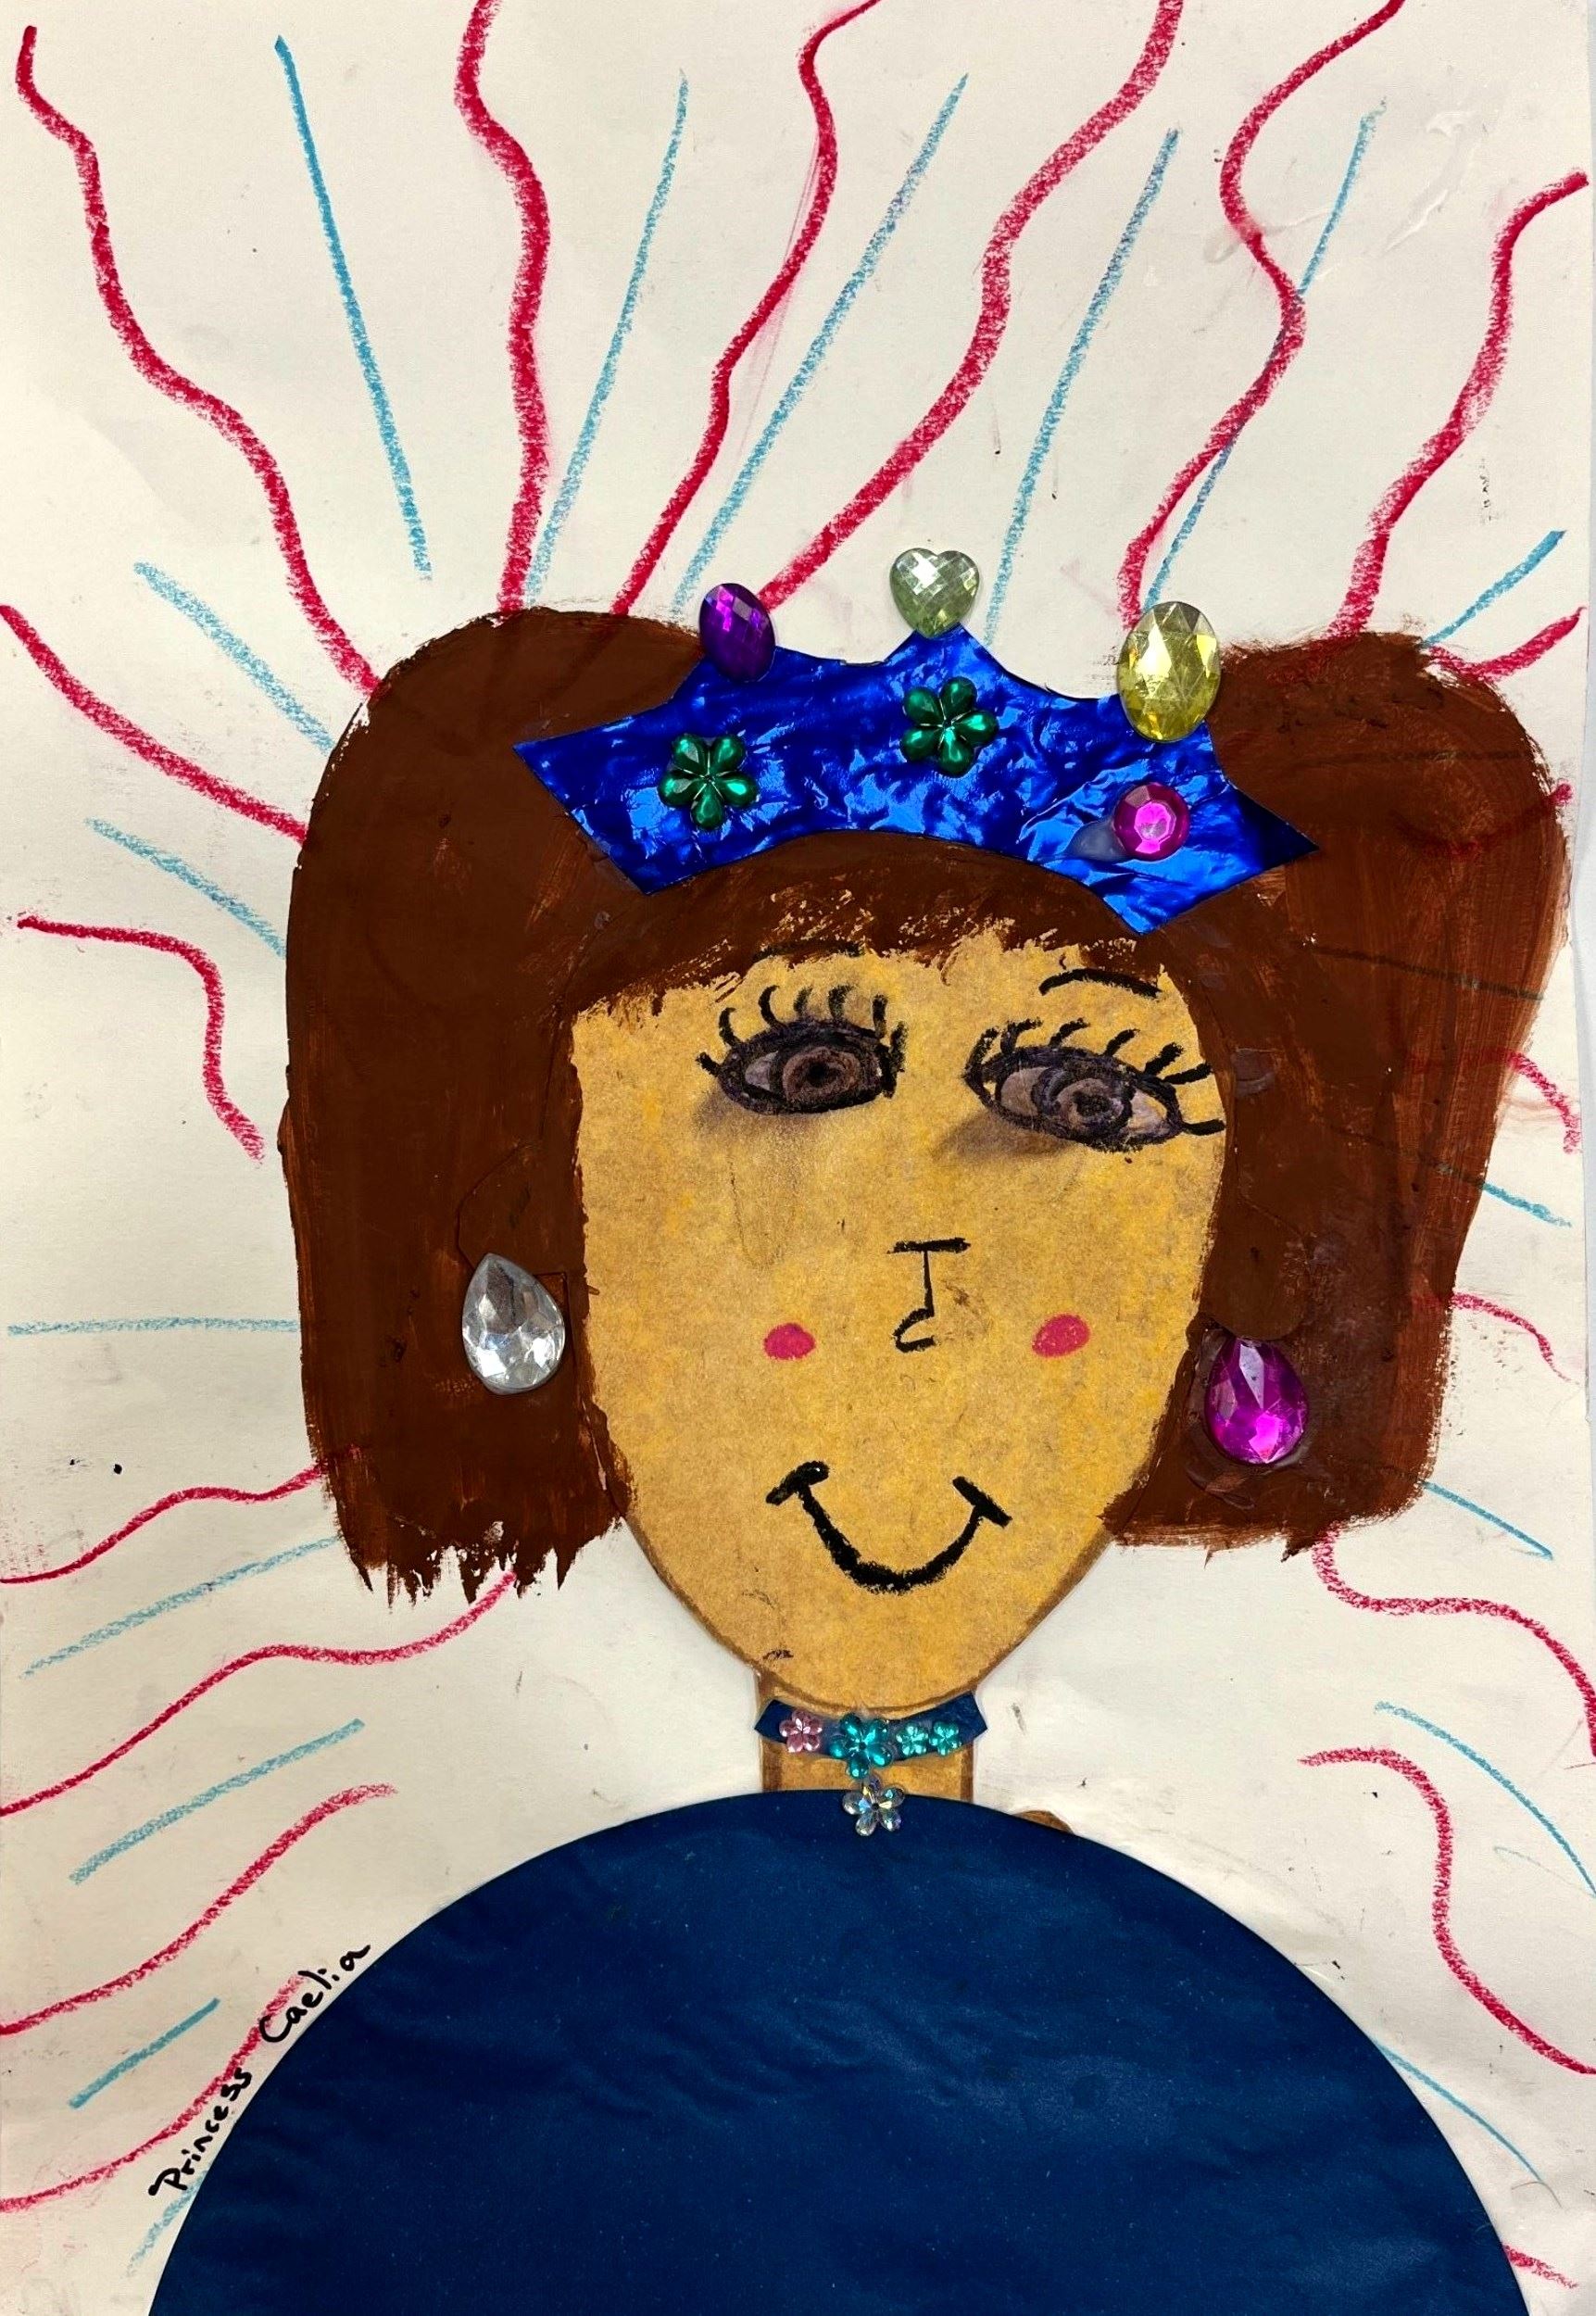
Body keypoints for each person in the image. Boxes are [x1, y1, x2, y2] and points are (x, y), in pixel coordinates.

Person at [151, 590, 1563, 2314]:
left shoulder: (1274, 2137)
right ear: (550, 1210)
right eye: (803, 1075)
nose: (927, 1286)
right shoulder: (433, 2119)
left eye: (1085, 1103)